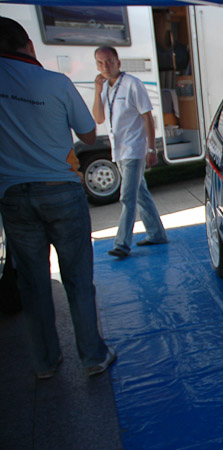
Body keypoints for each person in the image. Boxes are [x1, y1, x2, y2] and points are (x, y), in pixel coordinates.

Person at [0, 17, 115, 378]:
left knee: (32, 284)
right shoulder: (55, 82)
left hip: (12, 194)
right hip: (60, 190)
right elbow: (88, 134)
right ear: (29, 46)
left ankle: (45, 363)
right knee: (78, 279)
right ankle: (92, 357)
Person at [93, 46, 168, 258]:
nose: (105, 67)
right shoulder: (105, 88)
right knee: (140, 193)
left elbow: (147, 117)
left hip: (134, 150)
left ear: (118, 62)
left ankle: (122, 244)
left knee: (127, 197)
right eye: (100, 63)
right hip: (118, 150)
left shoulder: (132, 84)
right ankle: (157, 233)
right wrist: (97, 92)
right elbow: (98, 118)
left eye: (109, 62)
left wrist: (151, 148)